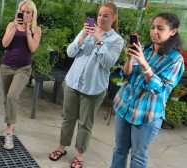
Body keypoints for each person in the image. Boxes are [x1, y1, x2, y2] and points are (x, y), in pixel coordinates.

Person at [49, 2, 124, 168]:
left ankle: (80, 155)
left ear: (114, 18)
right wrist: (83, 36)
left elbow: (108, 63)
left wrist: (98, 40)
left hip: (93, 88)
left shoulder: (117, 40)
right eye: (99, 15)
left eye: (106, 15)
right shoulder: (86, 32)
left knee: (85, 124)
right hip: (73, 82)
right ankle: (62, 147)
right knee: (68, 118)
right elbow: (70, 53)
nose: (101, 18)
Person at [111, 12, 185, 168]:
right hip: (125, 106)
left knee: (138, 156)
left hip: (146, 114)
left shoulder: (175, 59)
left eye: (160, 28)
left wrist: (144, 64)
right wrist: (130, 58)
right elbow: (127, 76)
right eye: (153, 27)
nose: (154, 32)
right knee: (119, 150)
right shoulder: (144, 49)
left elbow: (161, 88)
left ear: (173, 31)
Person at [0, 0, 41, 150]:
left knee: (12, 96)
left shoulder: (37, 29)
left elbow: (32, 48)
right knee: (7, 99)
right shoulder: (12, 25)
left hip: (23, 68)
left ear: (33, 14)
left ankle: (9, 133)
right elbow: (5, 44)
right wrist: (15, 28)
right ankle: (11, 125)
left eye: (28, 12)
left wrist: (28, 30)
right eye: (23, 11)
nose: (25, 15)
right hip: (7, 67)